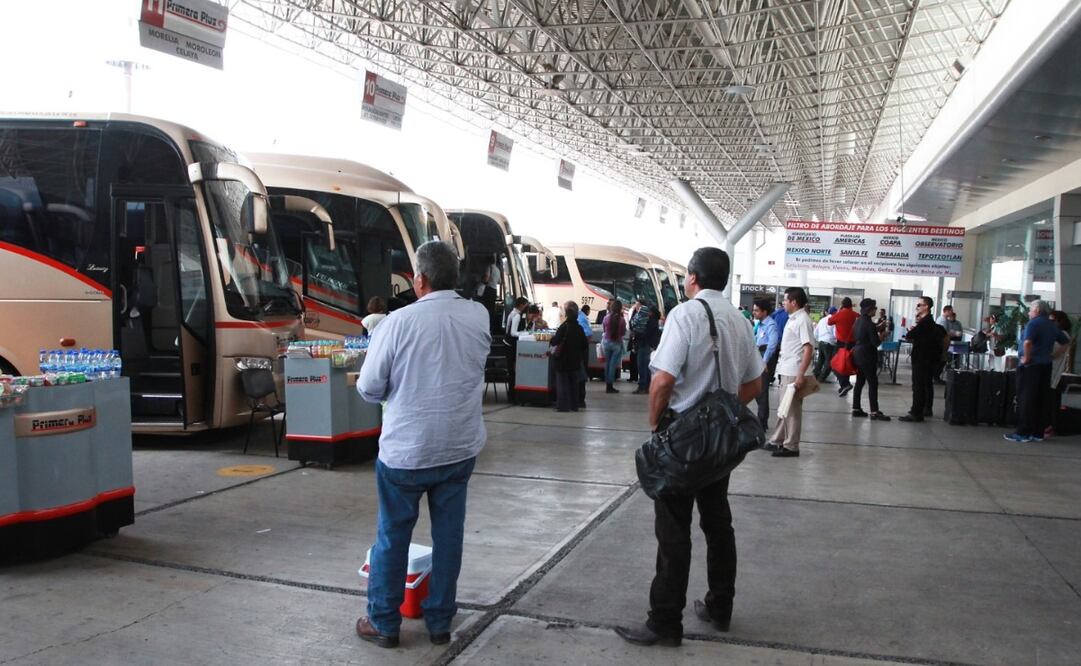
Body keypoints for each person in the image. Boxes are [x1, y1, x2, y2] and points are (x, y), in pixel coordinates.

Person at [614, 247, 762, 648]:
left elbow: (662, 381)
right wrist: (722, 414)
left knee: (673, 530)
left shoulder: (685, 314)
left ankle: (665, 622)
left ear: (692, 278)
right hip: (719, 443)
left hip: (681, 437)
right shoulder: (740, 320)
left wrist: (655, 426)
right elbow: (754, 384)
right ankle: (720, 606)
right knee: (718, 523)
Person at [354, 241, 490, 649]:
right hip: (459, 447)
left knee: (393, 536)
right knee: (449, 536)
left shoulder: (395, 324)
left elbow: (369, 387)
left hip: (407, 452)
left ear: (419, 280)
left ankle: (384, 622)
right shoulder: (478, 316)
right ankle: (439, 622)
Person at [1005, 300, 1069, 442]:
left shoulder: (1033, 324)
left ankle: (1023, 433)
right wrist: (1054, 356)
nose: (1029, 312)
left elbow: (1027, 342)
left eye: (1031, 310)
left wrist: (1026, 358)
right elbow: (1065, 342)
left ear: (1037, 311)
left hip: (1030, 367)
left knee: (1026, 398)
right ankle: (1038, 432)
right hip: (1046, 365)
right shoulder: (1052, 325)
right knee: (1041, 398)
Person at [766, 287, 816, 458]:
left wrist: (800, 375)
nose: (783, 303)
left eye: (786, 300)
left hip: (794, 370)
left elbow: (808, 348)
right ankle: (778, 439)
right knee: (785, 407)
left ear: (794, 302)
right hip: (786, 368)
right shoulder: (793, 318)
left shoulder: (802, 320)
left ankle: (791, 446)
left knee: (792, 410)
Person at [899, 297, 945, 423]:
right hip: (926, 358)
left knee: (918, 386)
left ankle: (916, 412)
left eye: (919, 305)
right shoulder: (927, 323)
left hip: (922, 359)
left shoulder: (926, 322)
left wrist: (912, 330)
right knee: (924, 384)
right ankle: (922, 409)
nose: (917, 307)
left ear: (926, 307)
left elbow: (910, 335)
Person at [850, 298, 890, 421]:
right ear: (869, 309)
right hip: (867, 355)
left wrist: (877, 327)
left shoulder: (858, 321)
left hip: (858, 353)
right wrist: (883, 334)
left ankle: (856, 408)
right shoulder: (869, 323)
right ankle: (874, 411)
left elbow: (864, 332)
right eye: (875, 308)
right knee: (873, 383)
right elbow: (876, 342)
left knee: (860, 382)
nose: (876, 310)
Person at [550, 301, 589, 412]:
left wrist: (552, 340)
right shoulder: (580, 328)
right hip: (575, 361)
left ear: (566, 316)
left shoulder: (563, 327)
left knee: (562, 383)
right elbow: (584, 345)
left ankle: (563, 405)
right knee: (574, 384)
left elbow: (555, 341)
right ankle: (574, 405)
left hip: (562, 360)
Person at [751, 299, 779, 430]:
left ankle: (762, 420)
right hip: (759, 355)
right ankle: (761, 418)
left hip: (765, 357)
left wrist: (765, 361)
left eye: (756, 310)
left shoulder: (770, 325)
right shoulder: (761, 325)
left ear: (764, 312)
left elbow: (772, 344)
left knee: (762, 391)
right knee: (757, 389)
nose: (754, 312)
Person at [1046, 311, 1073, 438]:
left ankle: (1050, 425)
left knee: (1050, 400)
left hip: (1053, 371)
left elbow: (1055, 352)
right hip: (1054, 371)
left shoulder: (1061, 335)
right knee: (1053, 399)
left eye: (1052, 321)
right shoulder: (1063, 334)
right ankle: (1051, 425)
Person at [828, 298, 858, 397]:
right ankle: (844, 385)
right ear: (850, 305)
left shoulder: (839, 314)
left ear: (842, 305)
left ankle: (845, 384)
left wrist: (840, 310)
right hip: (853, 345)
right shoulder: (855, 315)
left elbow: (829, 321)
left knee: (834, 364)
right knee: (847, 364)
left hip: (841, 345)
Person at [504, 297, 529, 402]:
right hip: (510, 345)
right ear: (521, 305)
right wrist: (525, 333)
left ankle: (512, 395)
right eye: (525, 305)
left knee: (512, 371)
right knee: (512, 371)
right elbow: (513, 333)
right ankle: (512, 396)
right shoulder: (517, 316)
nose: (526, 307)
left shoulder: (512, 313)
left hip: (508, 344)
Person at [633, 306, 661, 394]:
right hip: (649, 345)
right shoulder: (655, 321)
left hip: (645, 345)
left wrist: (637, 335)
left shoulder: (650, 322)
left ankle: (643, 386)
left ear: (651, 313)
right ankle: (646, 386)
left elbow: (646, 334)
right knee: (646, 367)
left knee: (642, 366)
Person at [602, 299, 627, 393]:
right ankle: (610, 385)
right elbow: (623, 333)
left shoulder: (606, 318)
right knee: (612, 365)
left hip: (606, 343)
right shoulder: (622, 320)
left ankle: (607, 385)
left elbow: (604, 330)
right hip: (616, 344)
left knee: (607, 364)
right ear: (620, 308)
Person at [936, 305, 964, 377]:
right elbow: (943, 332)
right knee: (942, 360)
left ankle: (937, 376)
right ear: (946, 311)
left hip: (945, 342)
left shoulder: (946, 320)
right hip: (941, 343)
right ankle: (936, 376)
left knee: (944, 360)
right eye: (951, 311)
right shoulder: (942, 320)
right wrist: (954, 333)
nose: (952, 312)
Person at [813, 307, 838, 382]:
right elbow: (835, 333)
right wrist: (835, 341)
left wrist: (819, 339)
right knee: (829, 361)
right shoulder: (834, 320)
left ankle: (815, 375)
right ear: (835, 312)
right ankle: (822, 377)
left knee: (820, 359)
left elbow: (815, 332)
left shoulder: (822, 320)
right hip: (829, 343)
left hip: (821, 342)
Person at [628, 298, 648, 383]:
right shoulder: (635, 313)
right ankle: (633, 376)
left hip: (638, 339)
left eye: (637, 304)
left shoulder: (642, 314)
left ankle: (641, 379)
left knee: (639, 360)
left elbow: (632, 323)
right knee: (633, 358)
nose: (636, 306)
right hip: (634, 338)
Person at [577, 304, 593, 409]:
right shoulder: (582, 319)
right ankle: (580, 400)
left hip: (577, 353)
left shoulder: (579, 319)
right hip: (581, 352)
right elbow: (589, 335)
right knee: (581, 374)